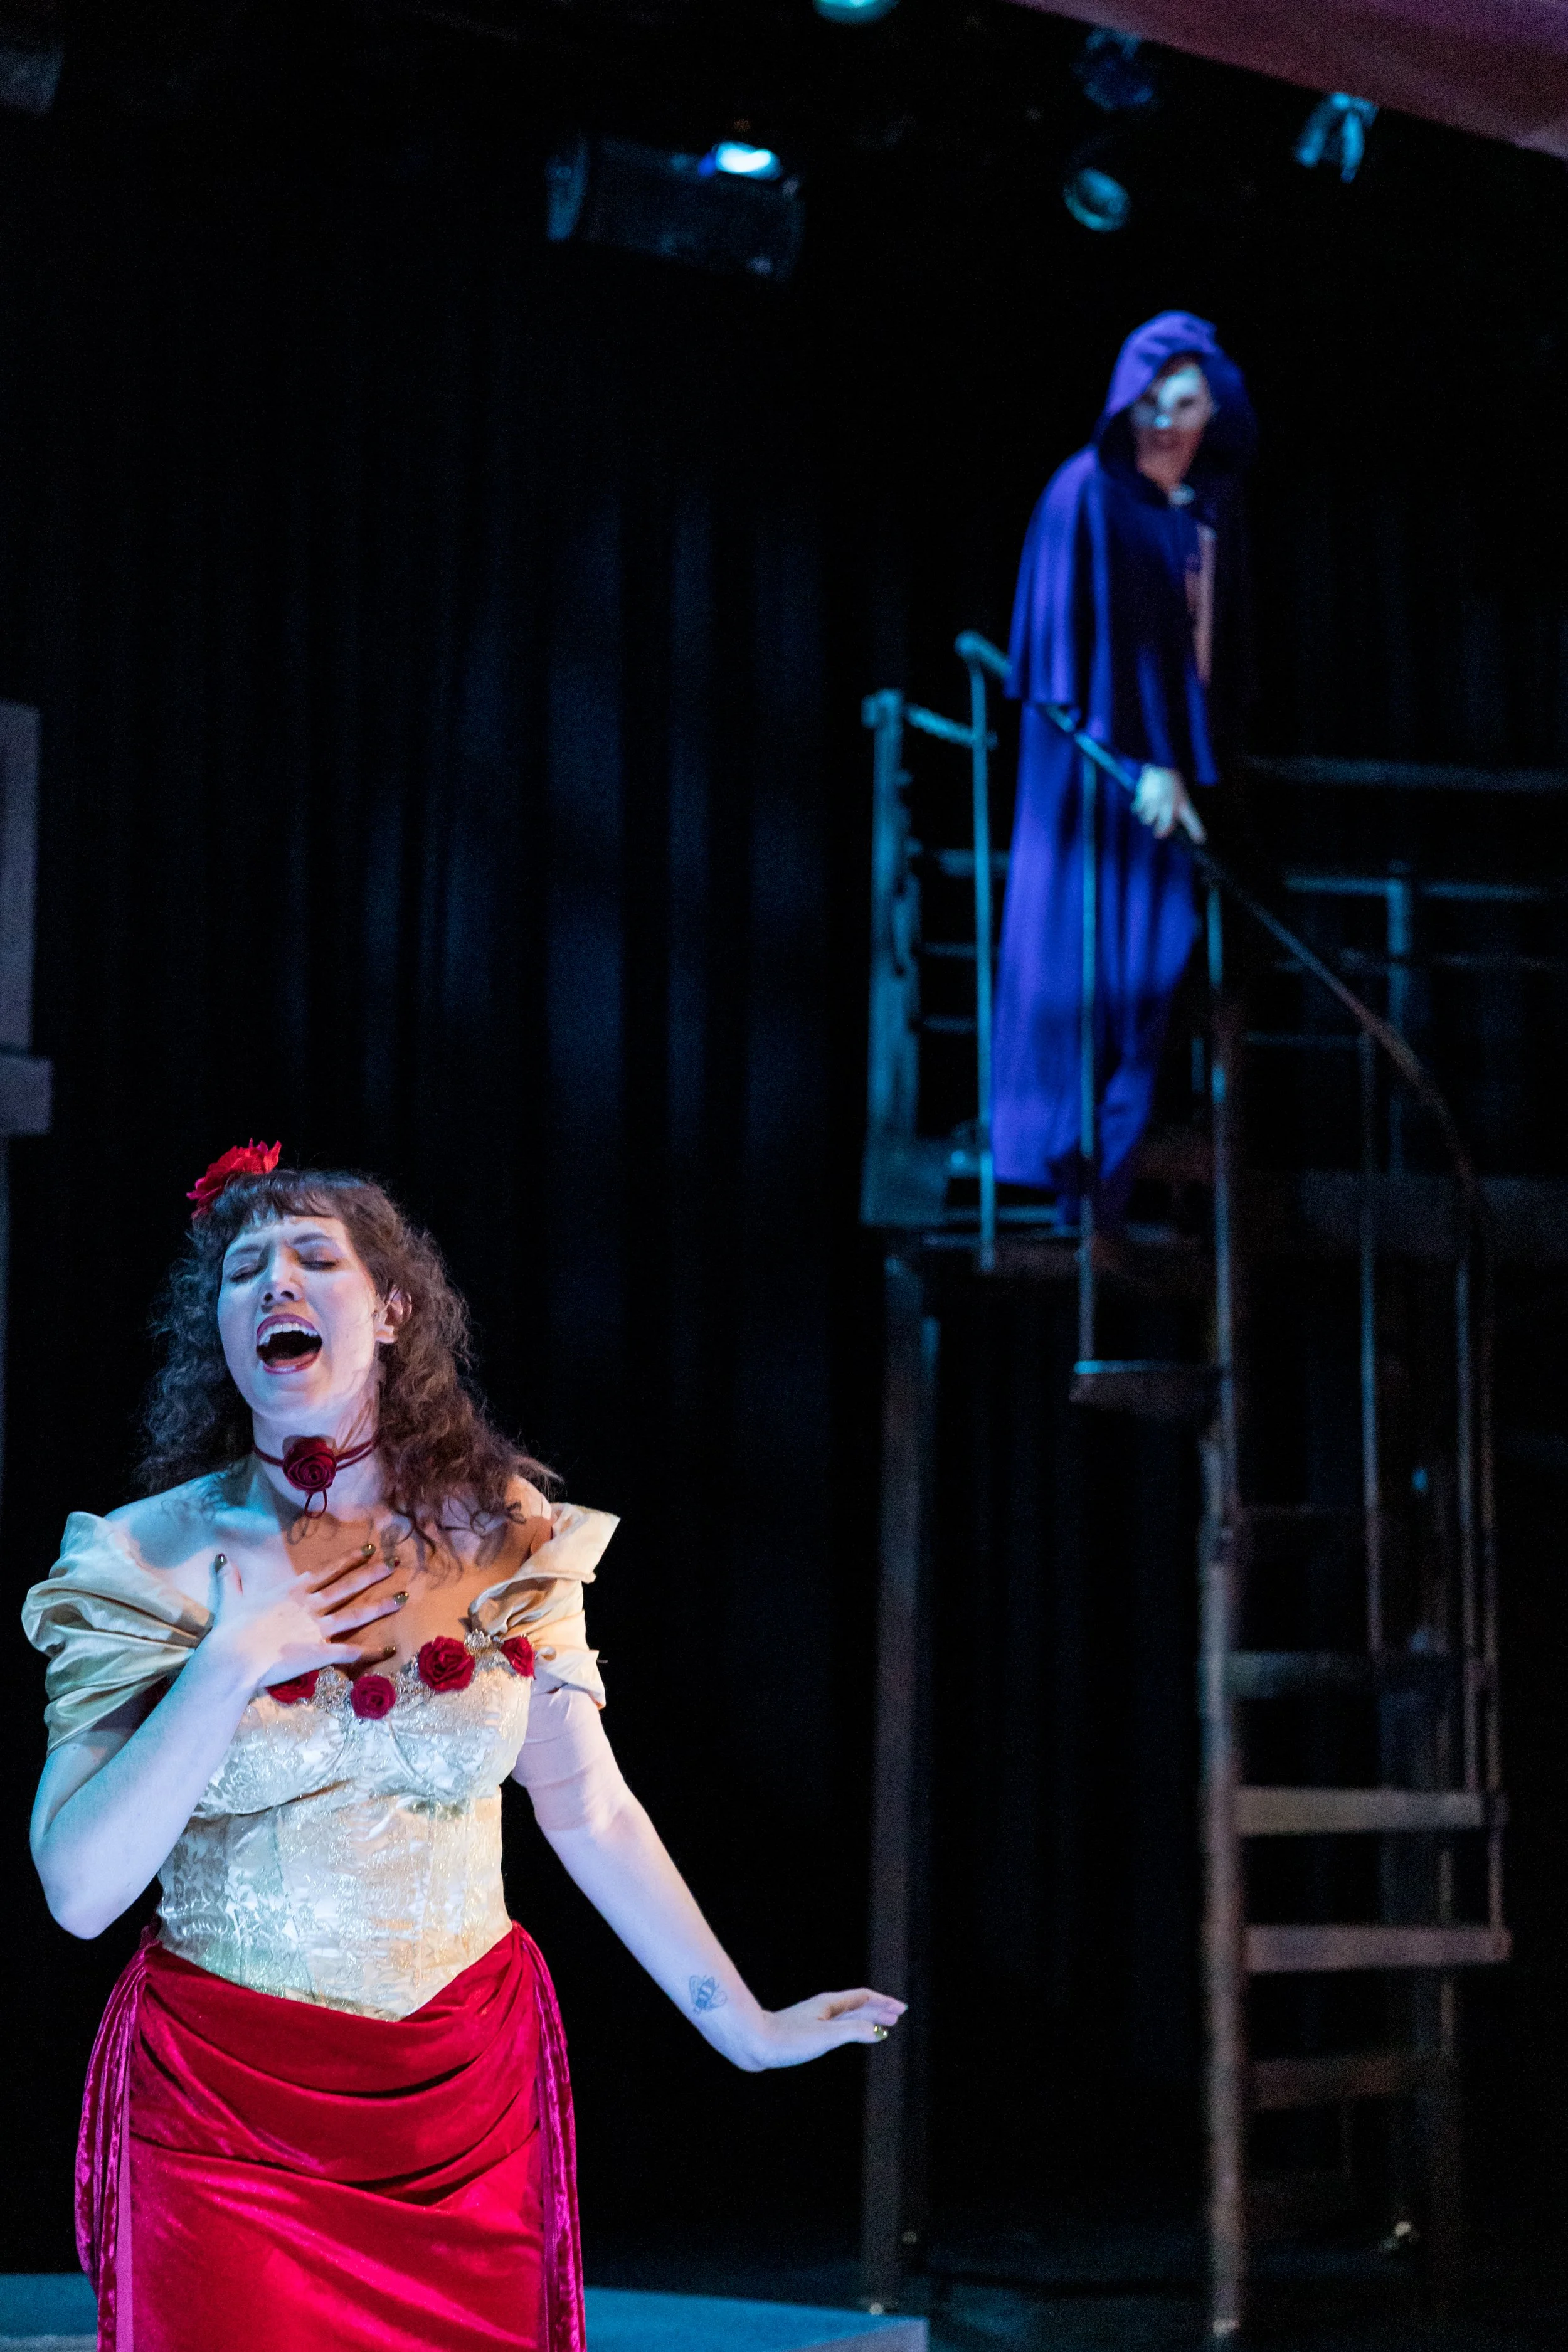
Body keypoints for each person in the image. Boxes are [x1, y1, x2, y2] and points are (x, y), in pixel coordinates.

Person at [23, 1142, 903, 2352]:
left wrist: (742, 2025)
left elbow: (590, 1809)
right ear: (219, 1330)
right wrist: (229, 1662)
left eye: (314, 1256)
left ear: (392, 1310)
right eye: (243, 1270)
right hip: (230, 2117)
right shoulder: (141, 1559)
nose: (275, 1283)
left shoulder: (505, 1536)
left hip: (463, 2107)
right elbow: (79, 1890)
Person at [991, 310, 1255, 1221]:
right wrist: (1140, 762)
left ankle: (1108, 1183)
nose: (1168, 422)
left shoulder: (1207, 512)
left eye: (1187, 404)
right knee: (1085, 966)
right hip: (1096, 790)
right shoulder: (1087, 495)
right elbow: (1066, 665)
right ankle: (1067, 1164)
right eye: (1152, 403)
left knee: (1162, 970)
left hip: (1171, 790)